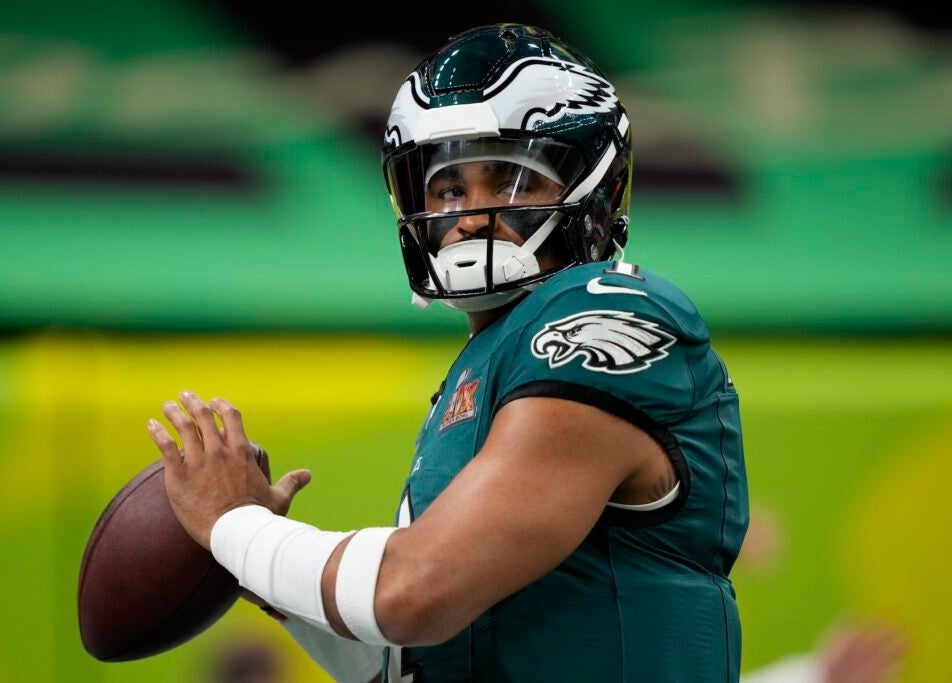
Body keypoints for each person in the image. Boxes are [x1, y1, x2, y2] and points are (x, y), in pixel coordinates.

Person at [147, 24, 749, 682]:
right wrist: (264, 578)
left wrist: (235, 527)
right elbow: (411, 657)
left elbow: (413, 591)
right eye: (449, 188)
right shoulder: (479, 368)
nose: (467, 216)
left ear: (593, 191)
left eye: (510, 179)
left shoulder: (598, 309)